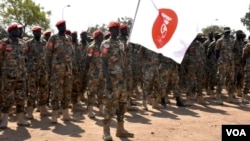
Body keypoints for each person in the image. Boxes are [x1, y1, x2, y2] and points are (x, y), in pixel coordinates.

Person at [101, 21, 134, 141]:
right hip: (112, 80)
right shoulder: (105, 44)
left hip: (122, 80)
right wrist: (107, 80)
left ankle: (120, 130)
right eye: (114, 29)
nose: (116, 31)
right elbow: (104, 62)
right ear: (110, 30)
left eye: (118, 29)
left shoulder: (121, 44)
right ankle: (106, 131)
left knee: (122, 105)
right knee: (110, 106)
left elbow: (123, 60)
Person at [0, 23, 30, 129]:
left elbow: (24, 57)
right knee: (7, 98)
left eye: (18, 30)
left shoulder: (22, 43)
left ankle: (21, 119)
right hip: (8, 76)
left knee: (21, 98)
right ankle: (5, 120)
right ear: (10, 31)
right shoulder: (4, 42)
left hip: (21, 75)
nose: (17, 31)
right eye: (15, 30)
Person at [45, 20, 75, 123]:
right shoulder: (53, 38)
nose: (64, 28)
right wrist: (49, 70)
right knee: (56, 92)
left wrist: (72, 67)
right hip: (56, 70)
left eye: (65, 26)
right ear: (58, 28)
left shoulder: (69, 38)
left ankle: (66, 114)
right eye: (62, 26)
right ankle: (54, 115)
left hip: (68, 70)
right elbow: (48, 55)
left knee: (67, 91)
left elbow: (72, 53)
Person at [25, 26, 51, 119]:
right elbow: (24, 56)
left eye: (39, 32)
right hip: (33, 71)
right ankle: (29, 111)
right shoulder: (29, 43)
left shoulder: (44, 43)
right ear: (33, 33)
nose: (38, 34)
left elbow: (47, 55)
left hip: (43, 70)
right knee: (32, 91)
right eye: (36, 32)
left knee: (44, 90)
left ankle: (43, 109)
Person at [215, 27, 239, 104]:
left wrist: (232, 57)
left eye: (228, 33)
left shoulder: (233, 41)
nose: (227, 34)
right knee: (220, 79)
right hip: (222, 62)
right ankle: (218, 97)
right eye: (226, 33)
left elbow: (236, 50)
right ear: (223, 33)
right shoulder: (220, 41)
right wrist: (219, 60)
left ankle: (230, 97)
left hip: (230, 62)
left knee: (231, 79)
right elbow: (217, 51)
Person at [85, 29, 104, 118]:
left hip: (102, 73)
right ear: (97, 37)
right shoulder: (91, 47)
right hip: (94, 74)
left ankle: (101, 109)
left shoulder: (104, 47)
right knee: (91, 91)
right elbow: (87, 59)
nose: (103, 37)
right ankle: (90, 110)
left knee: (101, 91)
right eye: (101, 35)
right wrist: (87, 70)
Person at [185, 33, 208, 105]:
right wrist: (186, 65)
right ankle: (188, 98)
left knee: (200, 81)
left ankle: (200, 97)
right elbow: (185, 55)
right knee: (190, 81)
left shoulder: (200, 45)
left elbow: (203, 55)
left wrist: (204, 64)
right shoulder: (189, 44)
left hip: (200, 65)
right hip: (191, 65)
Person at [71, 31, 84, 112]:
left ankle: (75, 105)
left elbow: (80, 56)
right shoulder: (68, 44)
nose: (75, 37)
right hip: (69, 69)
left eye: (76, 35)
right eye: (73, 35)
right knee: (69, 87)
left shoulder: (79, 44)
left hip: (78, 69)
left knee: (76, 87)